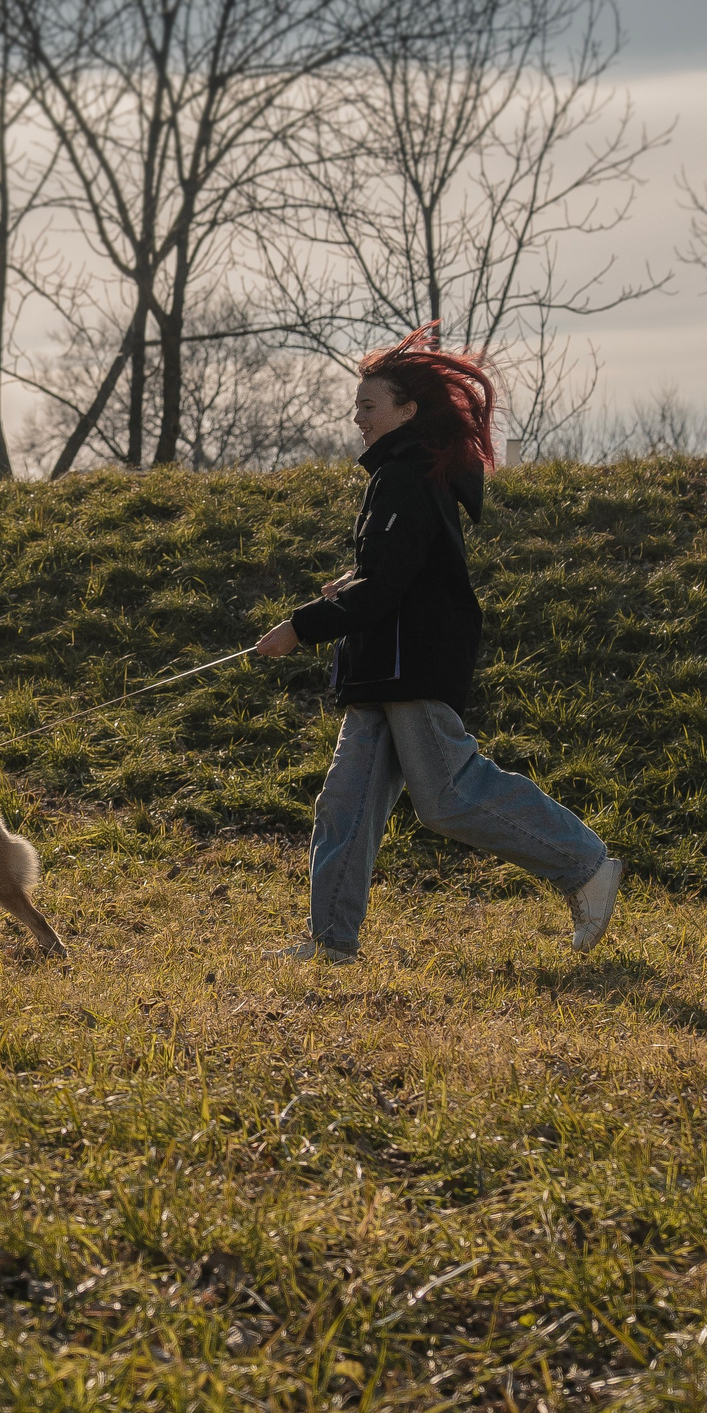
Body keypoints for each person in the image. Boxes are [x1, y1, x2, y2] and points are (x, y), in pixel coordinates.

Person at [252, 330, 622, 961]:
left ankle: (585, 864)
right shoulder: (404, 474)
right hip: (382, 666)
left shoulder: (406, 475)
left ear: (408, 412)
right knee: (346, 805)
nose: (357, 417)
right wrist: (349, 583)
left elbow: (391, 584)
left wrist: (301, 626)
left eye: (369, 405)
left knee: (449, 796)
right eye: (358, 406)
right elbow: (395, 568)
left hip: (411, 663)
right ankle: (332, 942)